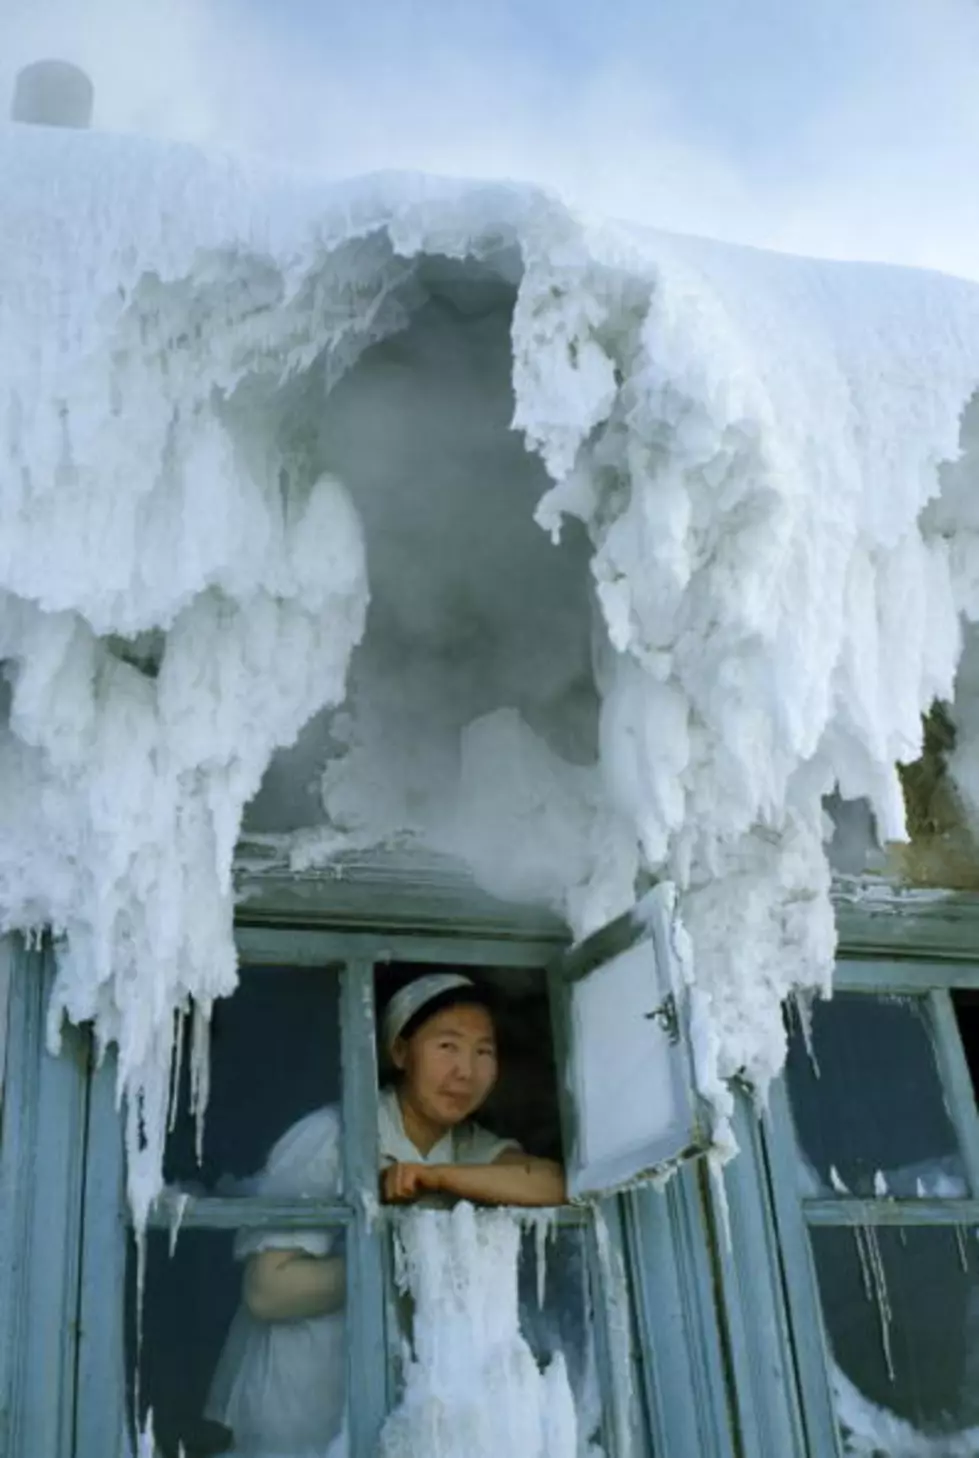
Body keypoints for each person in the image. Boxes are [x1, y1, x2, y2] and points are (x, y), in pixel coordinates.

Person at [204, 971, 565, 1457]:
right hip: (293, 1407)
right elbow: (267, 1291)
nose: (466, 1070)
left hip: (390, 1407)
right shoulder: (333, 1135)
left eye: (484, 1051)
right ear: (400, 1052)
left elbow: (555, 1184)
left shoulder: (470, 1148)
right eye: (447, 1046)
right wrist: (402, 1258)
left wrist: (437, 1180)